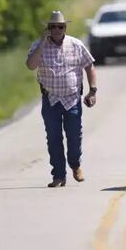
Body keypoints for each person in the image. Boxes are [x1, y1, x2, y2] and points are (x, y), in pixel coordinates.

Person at [26, 11, 97, 188]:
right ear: (47, 28)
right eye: (53, 27)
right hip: (51, 100)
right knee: (54, 138)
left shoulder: (76, 44)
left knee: (74, 136)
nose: (57, 29)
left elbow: (89, 66)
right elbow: (31, 65)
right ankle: (58, 175)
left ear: (65, 27)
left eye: (60, 26)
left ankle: (75, 165)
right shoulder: (38, 46)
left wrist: (92, 91)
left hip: (72, 99)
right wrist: (42, 42)